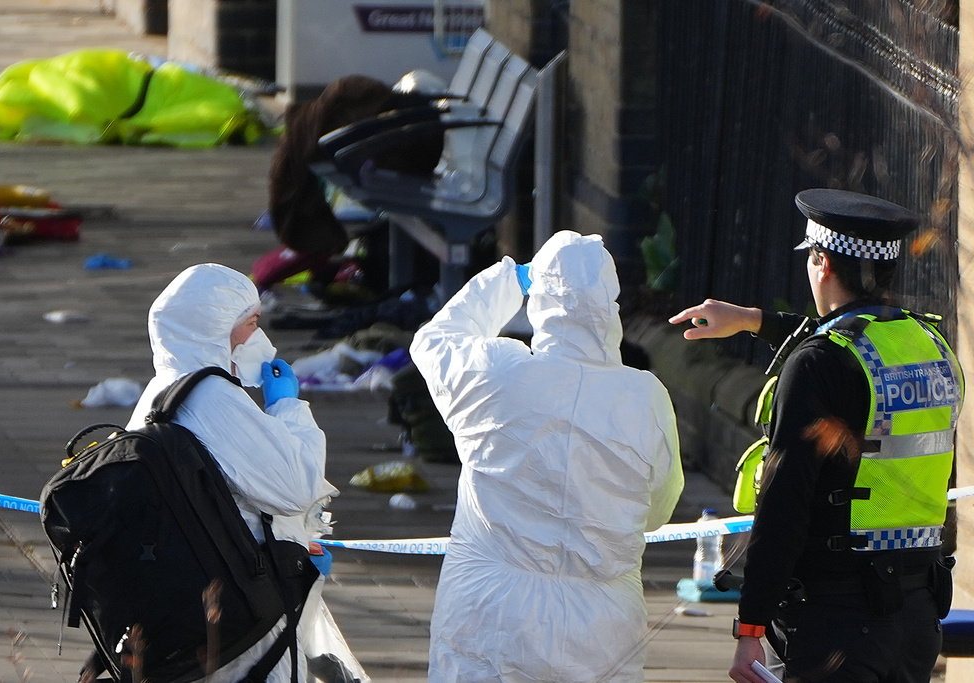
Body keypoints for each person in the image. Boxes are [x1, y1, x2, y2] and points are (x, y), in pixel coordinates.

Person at [669, 189, 964, 683]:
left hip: (836, 626)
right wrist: (752, 321)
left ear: (822, 262)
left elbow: (783, 508)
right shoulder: (932, 346)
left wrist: (750, 627)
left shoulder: (817, 365)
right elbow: (851, 336)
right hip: (916, 619)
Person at [410, 230, 684, 682]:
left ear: (540, 302)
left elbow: (435, 340)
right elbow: (658, 507)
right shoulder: (644, 397)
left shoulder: (496, 373)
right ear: (611, 305)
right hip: (602, 619)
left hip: (491, 605)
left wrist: (506, 281)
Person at [126, 263, 340, 682]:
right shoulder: (212, 396)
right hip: (241, 601)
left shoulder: (162, 391)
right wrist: (288, 407)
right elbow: (298, 485)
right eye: (252, 324)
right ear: (217, 328)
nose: (260, 339)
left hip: (189, 595)